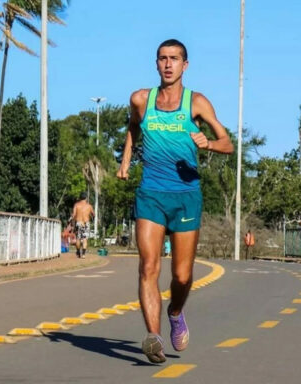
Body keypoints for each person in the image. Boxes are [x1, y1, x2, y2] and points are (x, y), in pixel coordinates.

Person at [117, 39, 234, 364]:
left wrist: (208, 143)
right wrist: (126, 159)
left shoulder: (196, 103)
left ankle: (176, 311)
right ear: (156, 64)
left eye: (174, 59)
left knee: (182, 276)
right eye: (163, 58)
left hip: (186, 196)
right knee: (149, 267)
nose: (168, 64)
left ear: (185, 65)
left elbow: (228, 144)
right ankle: (153, 337)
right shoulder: (141, 99)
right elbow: (133, 127)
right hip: (151, 193)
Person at [71, 192, 94, 259]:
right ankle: (83, 254)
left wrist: (72, 223)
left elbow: (74, 215)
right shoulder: (89, 206)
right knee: (85, 239)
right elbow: (93, 214)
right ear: (86, 198)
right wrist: (91, 216)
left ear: (80, 198)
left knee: (78, 238)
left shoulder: (76, 205)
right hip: (86, 223)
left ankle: (78, 252)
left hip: (79, 222)